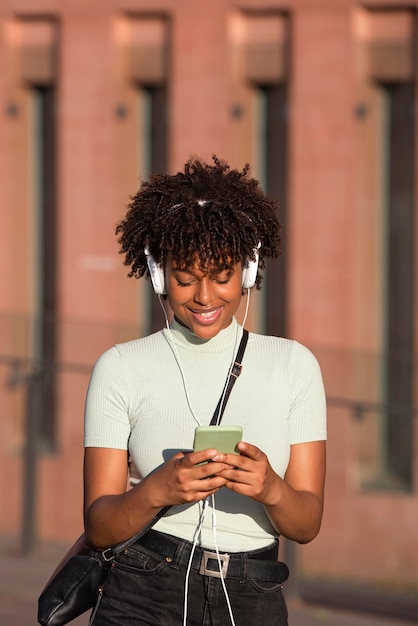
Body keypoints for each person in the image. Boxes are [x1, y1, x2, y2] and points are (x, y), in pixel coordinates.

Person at [83, 155, 327, 626]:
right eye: (185, 278)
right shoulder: (120, 367)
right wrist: (157, 490)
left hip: (253, 592)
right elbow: (98, 526)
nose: (204, 297)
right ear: (159, 274)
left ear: (248, 271)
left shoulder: (294, 365)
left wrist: (270, 488)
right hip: (142, 588)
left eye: (221, 277)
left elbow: (308, 524)